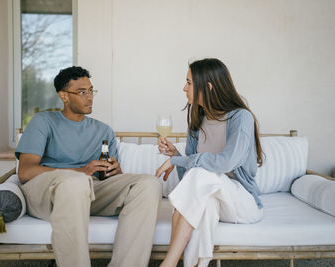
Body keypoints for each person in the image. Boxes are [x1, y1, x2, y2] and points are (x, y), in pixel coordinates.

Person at [16, 66, 162, 267]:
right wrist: (79, 171)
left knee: (149, 184)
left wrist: (115, 173)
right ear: (64, 96)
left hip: (89, 190)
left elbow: (104, 178)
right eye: (82, 92)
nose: (90, 97)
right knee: (76, 182)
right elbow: (25, 172)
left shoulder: (103, 131)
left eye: (91, 91)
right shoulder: (43, 122)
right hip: (50, 192)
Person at [155, 58, 264, 267]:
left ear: (208, 86)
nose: (184, 88)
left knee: (203, 175)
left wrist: (178, 160)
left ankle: (168, 263)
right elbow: (189, 181)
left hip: (243, 203)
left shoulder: (241, 118)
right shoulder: (197, 120)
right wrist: (177, 155)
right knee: (205, 203)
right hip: (212, 196)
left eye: (189, 82)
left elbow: (224, 163)